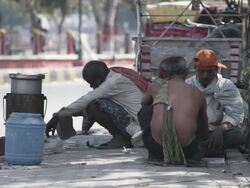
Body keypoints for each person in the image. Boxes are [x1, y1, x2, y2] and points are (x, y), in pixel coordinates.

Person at [46, 60, 148, 149]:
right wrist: (69, 112)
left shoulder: (112, 83)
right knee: (92, 105)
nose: (91, 86)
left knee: (94, 105)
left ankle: (120, 139)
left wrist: (59, 115)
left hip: (140, 130)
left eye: (91, 82)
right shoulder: (117, 73)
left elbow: (87, 99)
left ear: (98, 78)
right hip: (145, 123)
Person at [139, 56, 208, 164]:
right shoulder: (197, 93)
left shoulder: (155, 87)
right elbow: (204, 129)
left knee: (146, 109)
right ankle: (193, 154)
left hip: (157, 148)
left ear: (163, 73)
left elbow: (143, 104)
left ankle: (154, 155)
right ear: (186, 72)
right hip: (187, 149)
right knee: (197, 118)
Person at [186, 49, 245, 156]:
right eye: (202, 71)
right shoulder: (188, 85)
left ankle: (198, 149)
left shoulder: (226, 85)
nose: (205, 75)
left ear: (216, 69)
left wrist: (221, 129)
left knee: (237, 135)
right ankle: (207, 149)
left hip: (217, 131)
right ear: (195, 69)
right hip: (194, 131)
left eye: (209, 71)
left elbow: (235, 113)